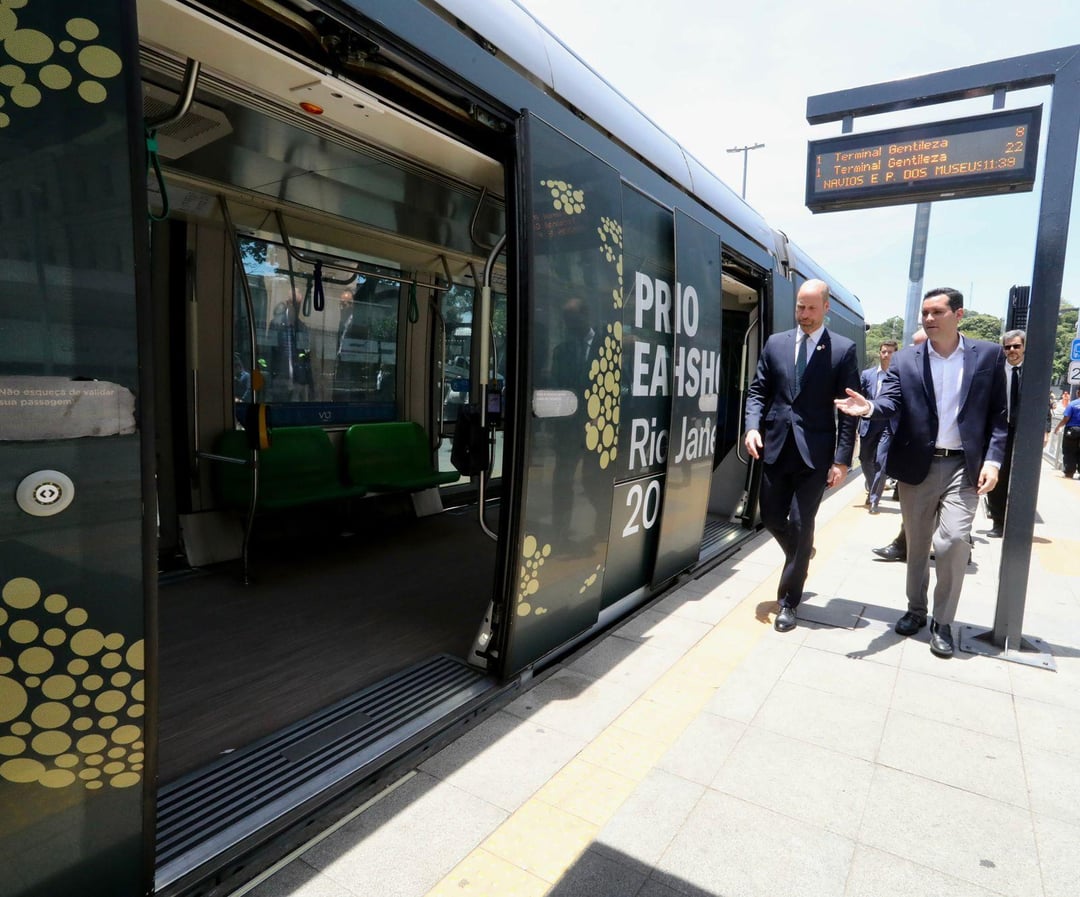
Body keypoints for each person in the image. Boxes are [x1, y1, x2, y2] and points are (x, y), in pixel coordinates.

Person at [836, 287, 1007, 658]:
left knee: (952, 542)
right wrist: (868, 409)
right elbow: (891, 402)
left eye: (936, 312)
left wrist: (993, 461)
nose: (928, 319)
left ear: (958, 315)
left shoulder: (988, 356)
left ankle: (943, 622)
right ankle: (916, 610)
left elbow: (998, 415)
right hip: (918, 465)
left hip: (965, 464)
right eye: (924, 314)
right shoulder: (906, 359)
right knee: (916, 545)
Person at [744, 278, 860, 632]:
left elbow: (848, 409)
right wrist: (752, 426)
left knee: (800, 522)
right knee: (773, 517)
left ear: (826, 308)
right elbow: (758, 391)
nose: (804, 314)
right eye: (800, 306)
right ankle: (801, 551)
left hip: (815, 455)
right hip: (775, 448)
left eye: (811, 308)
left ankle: (788, 602)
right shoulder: (775, 343)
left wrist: (842, 460)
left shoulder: (842, 349)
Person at [871, 327, 928, 562]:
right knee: (913, 508)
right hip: (909, 446)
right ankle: (903, 544)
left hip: (951, 456)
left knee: (950, 530)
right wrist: (869, 407)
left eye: (919, 344)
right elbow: (890, 400)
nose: (913, 350)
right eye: (912, 345)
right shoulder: (905, 368)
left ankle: (960, 544)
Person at [985, 330, 1025, 537]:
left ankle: (1018, 523)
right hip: (1000, 431)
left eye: (1016, 346)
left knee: (1022, 479)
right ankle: (998, 522)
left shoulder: (1032, 373)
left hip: (1024, 434)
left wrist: (1045, 430)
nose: (1011, 350)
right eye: (1007, 347)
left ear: (1024, 347)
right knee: (997, 476)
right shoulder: (996, 371)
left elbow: (1042, 403)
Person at [858, 339, 898, 514]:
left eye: (890, 352)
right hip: (868, 422)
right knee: (865, 459)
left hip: (888, 425)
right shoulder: (867, 375)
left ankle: (874, 499)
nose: (887, 355)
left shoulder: (899, 376)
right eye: (884, 351)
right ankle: (872, 485)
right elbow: (859, 398)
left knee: (881, 462)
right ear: (879, 353)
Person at [1054, 391, 1080, 478]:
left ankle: (1069, 473)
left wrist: (1057, 427)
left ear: (1078, 393)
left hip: (1072, 431)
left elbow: (1066, 418)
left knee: (1069, 452)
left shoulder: (1072, 404)